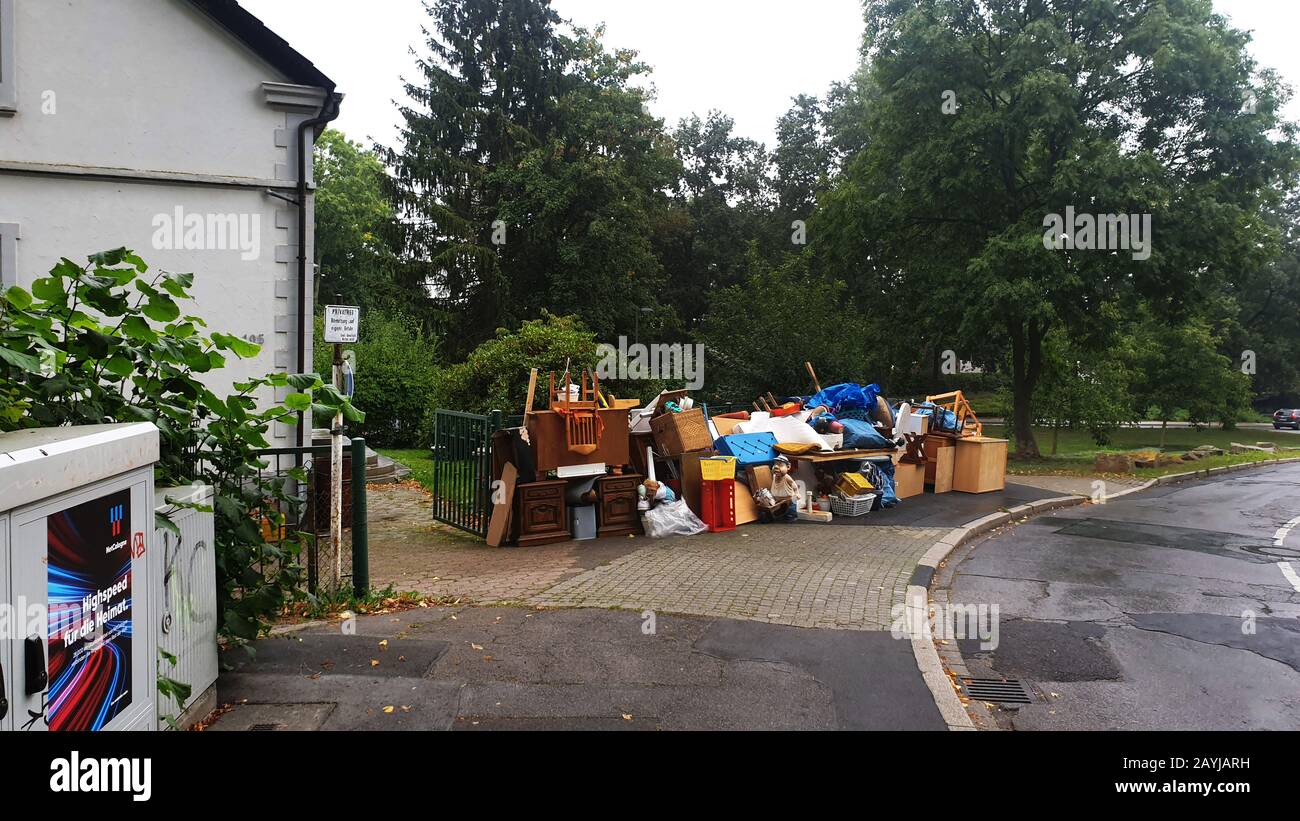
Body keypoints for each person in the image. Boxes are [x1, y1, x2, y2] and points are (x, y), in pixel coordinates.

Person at [758, 455, 800, 523]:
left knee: (791, 507)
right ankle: (772, 516)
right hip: (777, 499)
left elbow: (794, 485)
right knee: (771, 507)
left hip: (788, 498)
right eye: (775, 464)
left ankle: (791, 517)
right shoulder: (774, 476)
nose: (776, 467)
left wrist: (797, 493)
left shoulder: (787, 477)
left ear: (788, 467)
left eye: (780, 465)